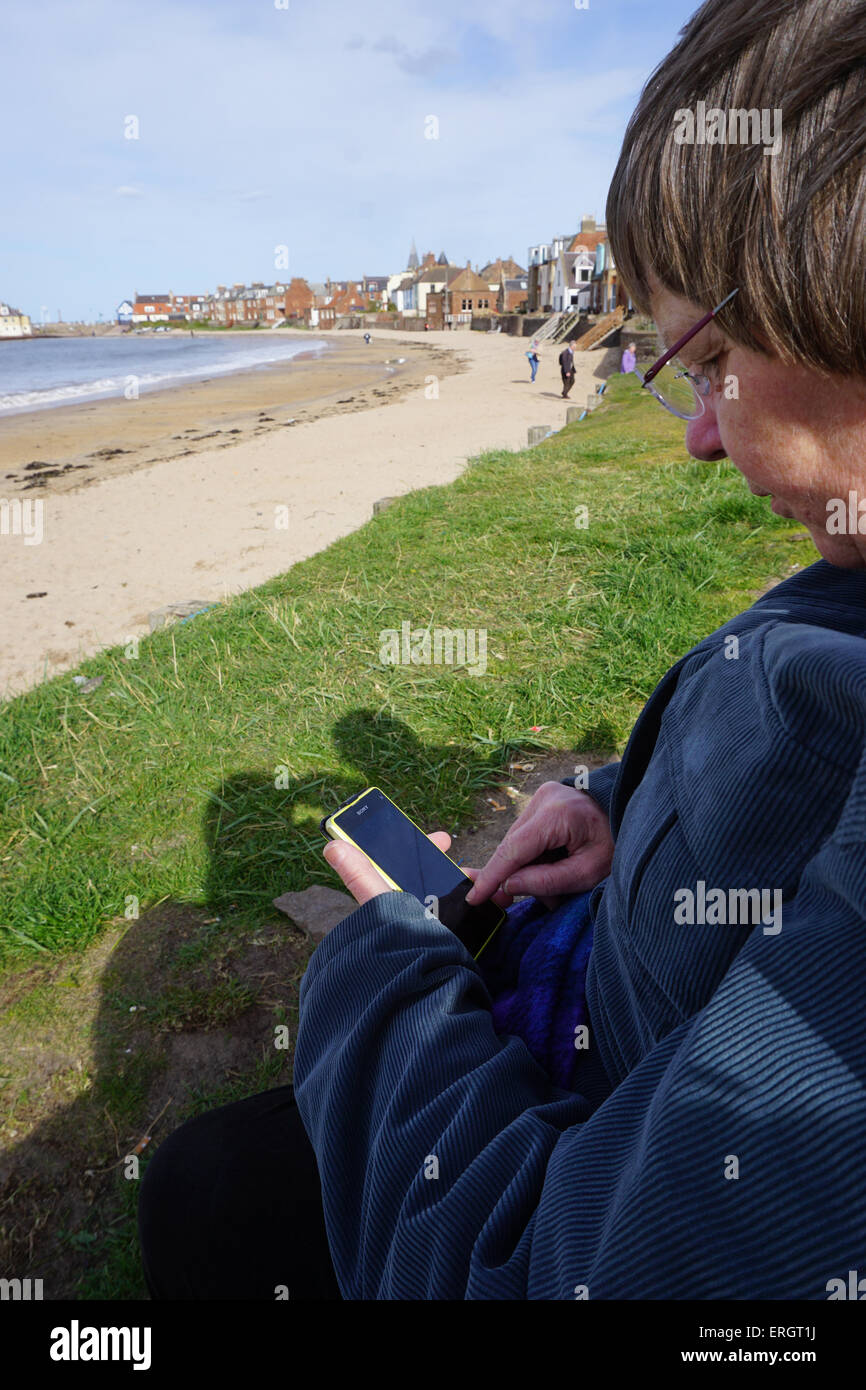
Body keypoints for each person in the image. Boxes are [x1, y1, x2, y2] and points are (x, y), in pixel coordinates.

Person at [138, 0, 866, 1301]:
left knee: (204, 1188)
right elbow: (786, 779)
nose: (697, 437)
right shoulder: (850, 569)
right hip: (601, 1009)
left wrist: (383, 956)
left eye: (705, 363)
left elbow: (536, 1276)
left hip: (588, 1105)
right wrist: (618, 804)